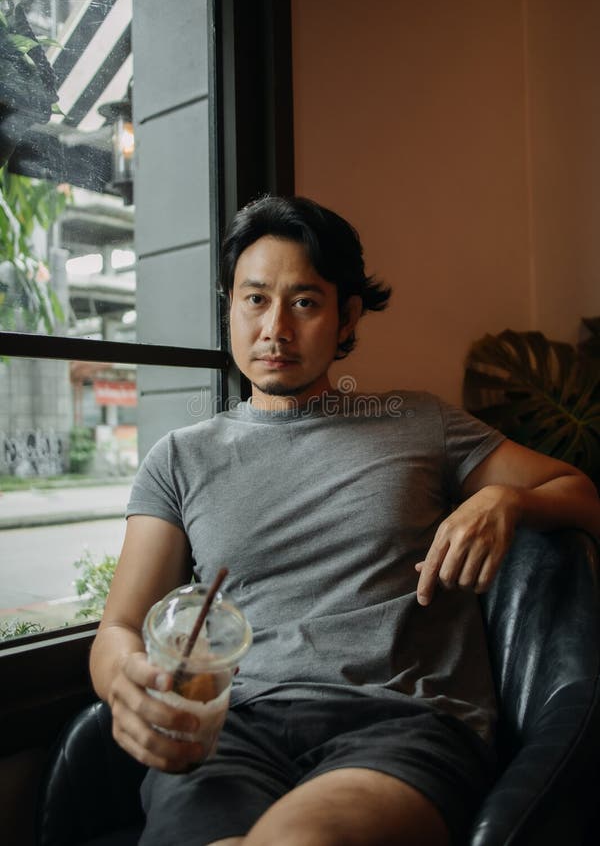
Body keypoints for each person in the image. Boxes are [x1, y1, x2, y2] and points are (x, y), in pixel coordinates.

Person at [90, 195, 600, 846]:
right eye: (254, 299)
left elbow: (580, 492)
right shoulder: (179, 459)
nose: (275, 327)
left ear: (346, 316)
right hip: (230, 731)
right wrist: (125, 685)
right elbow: (120, 629)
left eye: (304, 302)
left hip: (401, 724)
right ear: (230, 305)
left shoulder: (419, 423)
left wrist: (509, 500)